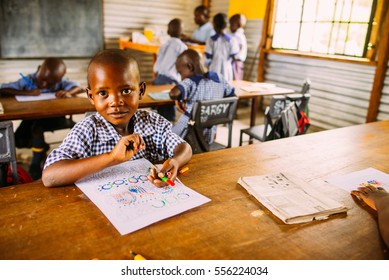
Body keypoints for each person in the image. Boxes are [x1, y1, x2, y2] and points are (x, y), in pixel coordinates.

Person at [42, 49, 192, 188]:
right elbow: (50, 176)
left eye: (126, 90)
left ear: (140, 91)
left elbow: (183, 147)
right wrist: (112, 157)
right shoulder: (87, 131)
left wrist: (176, 161)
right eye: (102, 93)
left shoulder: (152, 123)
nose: (115, 102)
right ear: (91, 97)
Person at [0, 57, 84, 180]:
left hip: (55, 119)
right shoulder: (29, 79)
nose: (45, 84)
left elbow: (78, 87)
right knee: (20, 138)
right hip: (32, 118)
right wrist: (26, 93)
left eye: (50, 84)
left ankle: (36, 161)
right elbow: (2, 89)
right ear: (39, 70)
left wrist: (69, 93)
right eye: (43, 80)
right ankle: (40, 149)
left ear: (60, 79)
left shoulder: (60, 81)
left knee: (35, 129)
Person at [170, 49, 235, 145]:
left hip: (187, 135)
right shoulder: (219, 78)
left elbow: (173, 93)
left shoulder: (191, 81)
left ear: (189, 67)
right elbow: (232, 96)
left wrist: (178, 100)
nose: (181, 77)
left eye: (180, 73)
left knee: (165, 134)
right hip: (209, 135)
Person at [153, 18, 188, 122]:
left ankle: (159, 126)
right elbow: (183, 66)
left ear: (168, 32)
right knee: (168, 109)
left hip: (157, 79)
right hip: (170, 81)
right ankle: (168, 130)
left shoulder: (163, 45)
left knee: (161, 108)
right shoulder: (182, 47)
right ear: (182, 32)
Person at [205, 13, 239, 81]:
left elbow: (208, 56)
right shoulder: (232, 40)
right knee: (226, 87)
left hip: (214, 68)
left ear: (214, 25)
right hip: (227, 69)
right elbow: (235, 57)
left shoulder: (211, 40)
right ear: (227, 25)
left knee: (213, 87)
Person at [228, 13, 247, 80]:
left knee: (235, 81)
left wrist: (234, 57)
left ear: (239, 24)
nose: (229, 26)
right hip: (236, 62)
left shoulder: (238, 35)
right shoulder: (237, 35)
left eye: (231, 24)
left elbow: (240, 48)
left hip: (236, 62)